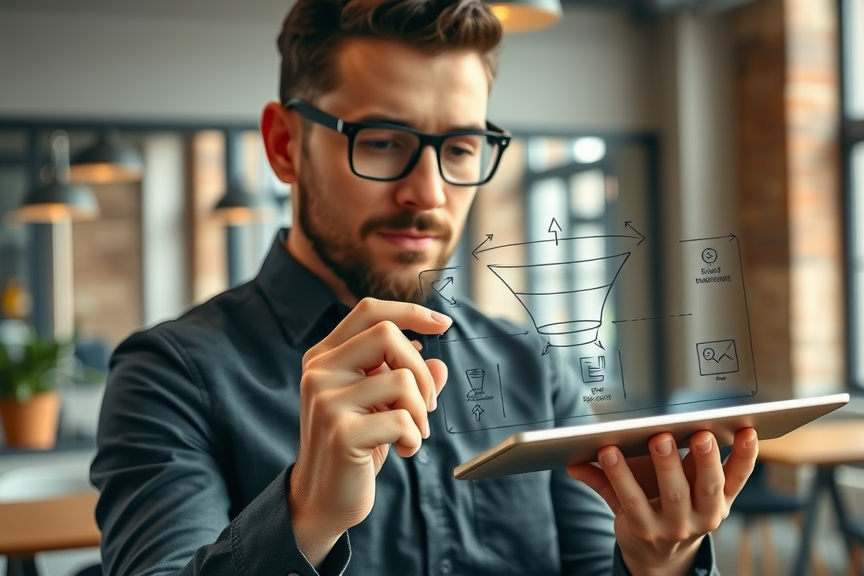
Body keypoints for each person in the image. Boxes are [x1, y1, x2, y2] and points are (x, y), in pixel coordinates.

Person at [90, 1, 759, 574]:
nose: (430, 193)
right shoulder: (169, 375)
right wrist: (305, 513)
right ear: (286, 145)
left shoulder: (530, 364)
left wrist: (658, 558)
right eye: (382, 141)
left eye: (461, 148)